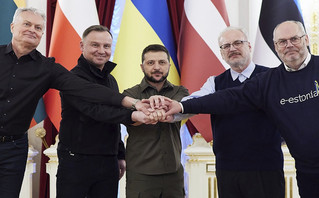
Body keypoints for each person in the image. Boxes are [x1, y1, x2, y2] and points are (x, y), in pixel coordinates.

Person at [0, 7, 147, 198]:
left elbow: (86, 89)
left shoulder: (48, 68)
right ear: (12, 26)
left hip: (14, 148)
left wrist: (133, 102)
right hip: (74, 159)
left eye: (38, 27)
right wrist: (134, 111)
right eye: (26, 24)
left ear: (42, 33)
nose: (32, 30)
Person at [166, 20, 319, 198]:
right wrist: (181, 106)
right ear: (276, 47)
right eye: (282, 42)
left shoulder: (271, 75)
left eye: (294, 39)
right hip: (305, 173)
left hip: (267, 170)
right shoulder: (269, 81)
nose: (289, 45)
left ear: (306, 39)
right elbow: (228, 98)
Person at [174, 26, 284, 198]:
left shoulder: (272, 77)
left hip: (266, 168)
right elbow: (194, 102)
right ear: (222, 53)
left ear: (249, 46)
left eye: (237, 43)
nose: (232, 48)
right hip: (228, 169)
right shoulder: (214, 82)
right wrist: (168, 109)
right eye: (226, 46)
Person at [57, 25, 153, 198]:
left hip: (108, 162)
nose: (101, 51)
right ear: (81, 46)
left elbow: (113, 122)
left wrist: (120, 155)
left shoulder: (111, 79)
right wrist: (132, 115)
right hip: (76, 162)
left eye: (106, 46)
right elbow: (96, 112)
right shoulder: (71, 79)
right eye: (95, 45)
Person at [122, 44, 189, 198]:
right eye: (151, 63)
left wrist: (157, 109)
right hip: (140, 175)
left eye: (162, 62)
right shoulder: (130, 95)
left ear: (169, 65)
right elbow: (129, 119)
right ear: (142, 66)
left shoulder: (181, 92)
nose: (157, 67)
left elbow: (178, 110)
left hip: (174, 173)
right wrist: (147, 112)